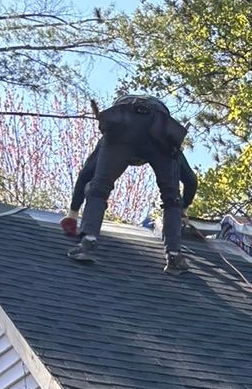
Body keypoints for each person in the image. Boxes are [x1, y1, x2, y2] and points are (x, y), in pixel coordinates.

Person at [61, 95, 199, 274]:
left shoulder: (111, 140)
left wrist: (72, 214)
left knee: (99, 186)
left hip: (123, 123)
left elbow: (86, 174)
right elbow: (190, 181)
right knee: (172, 197)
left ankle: (87, 241)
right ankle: (173, 256)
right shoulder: (165, 139)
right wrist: (182, 209)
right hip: (160, 128)